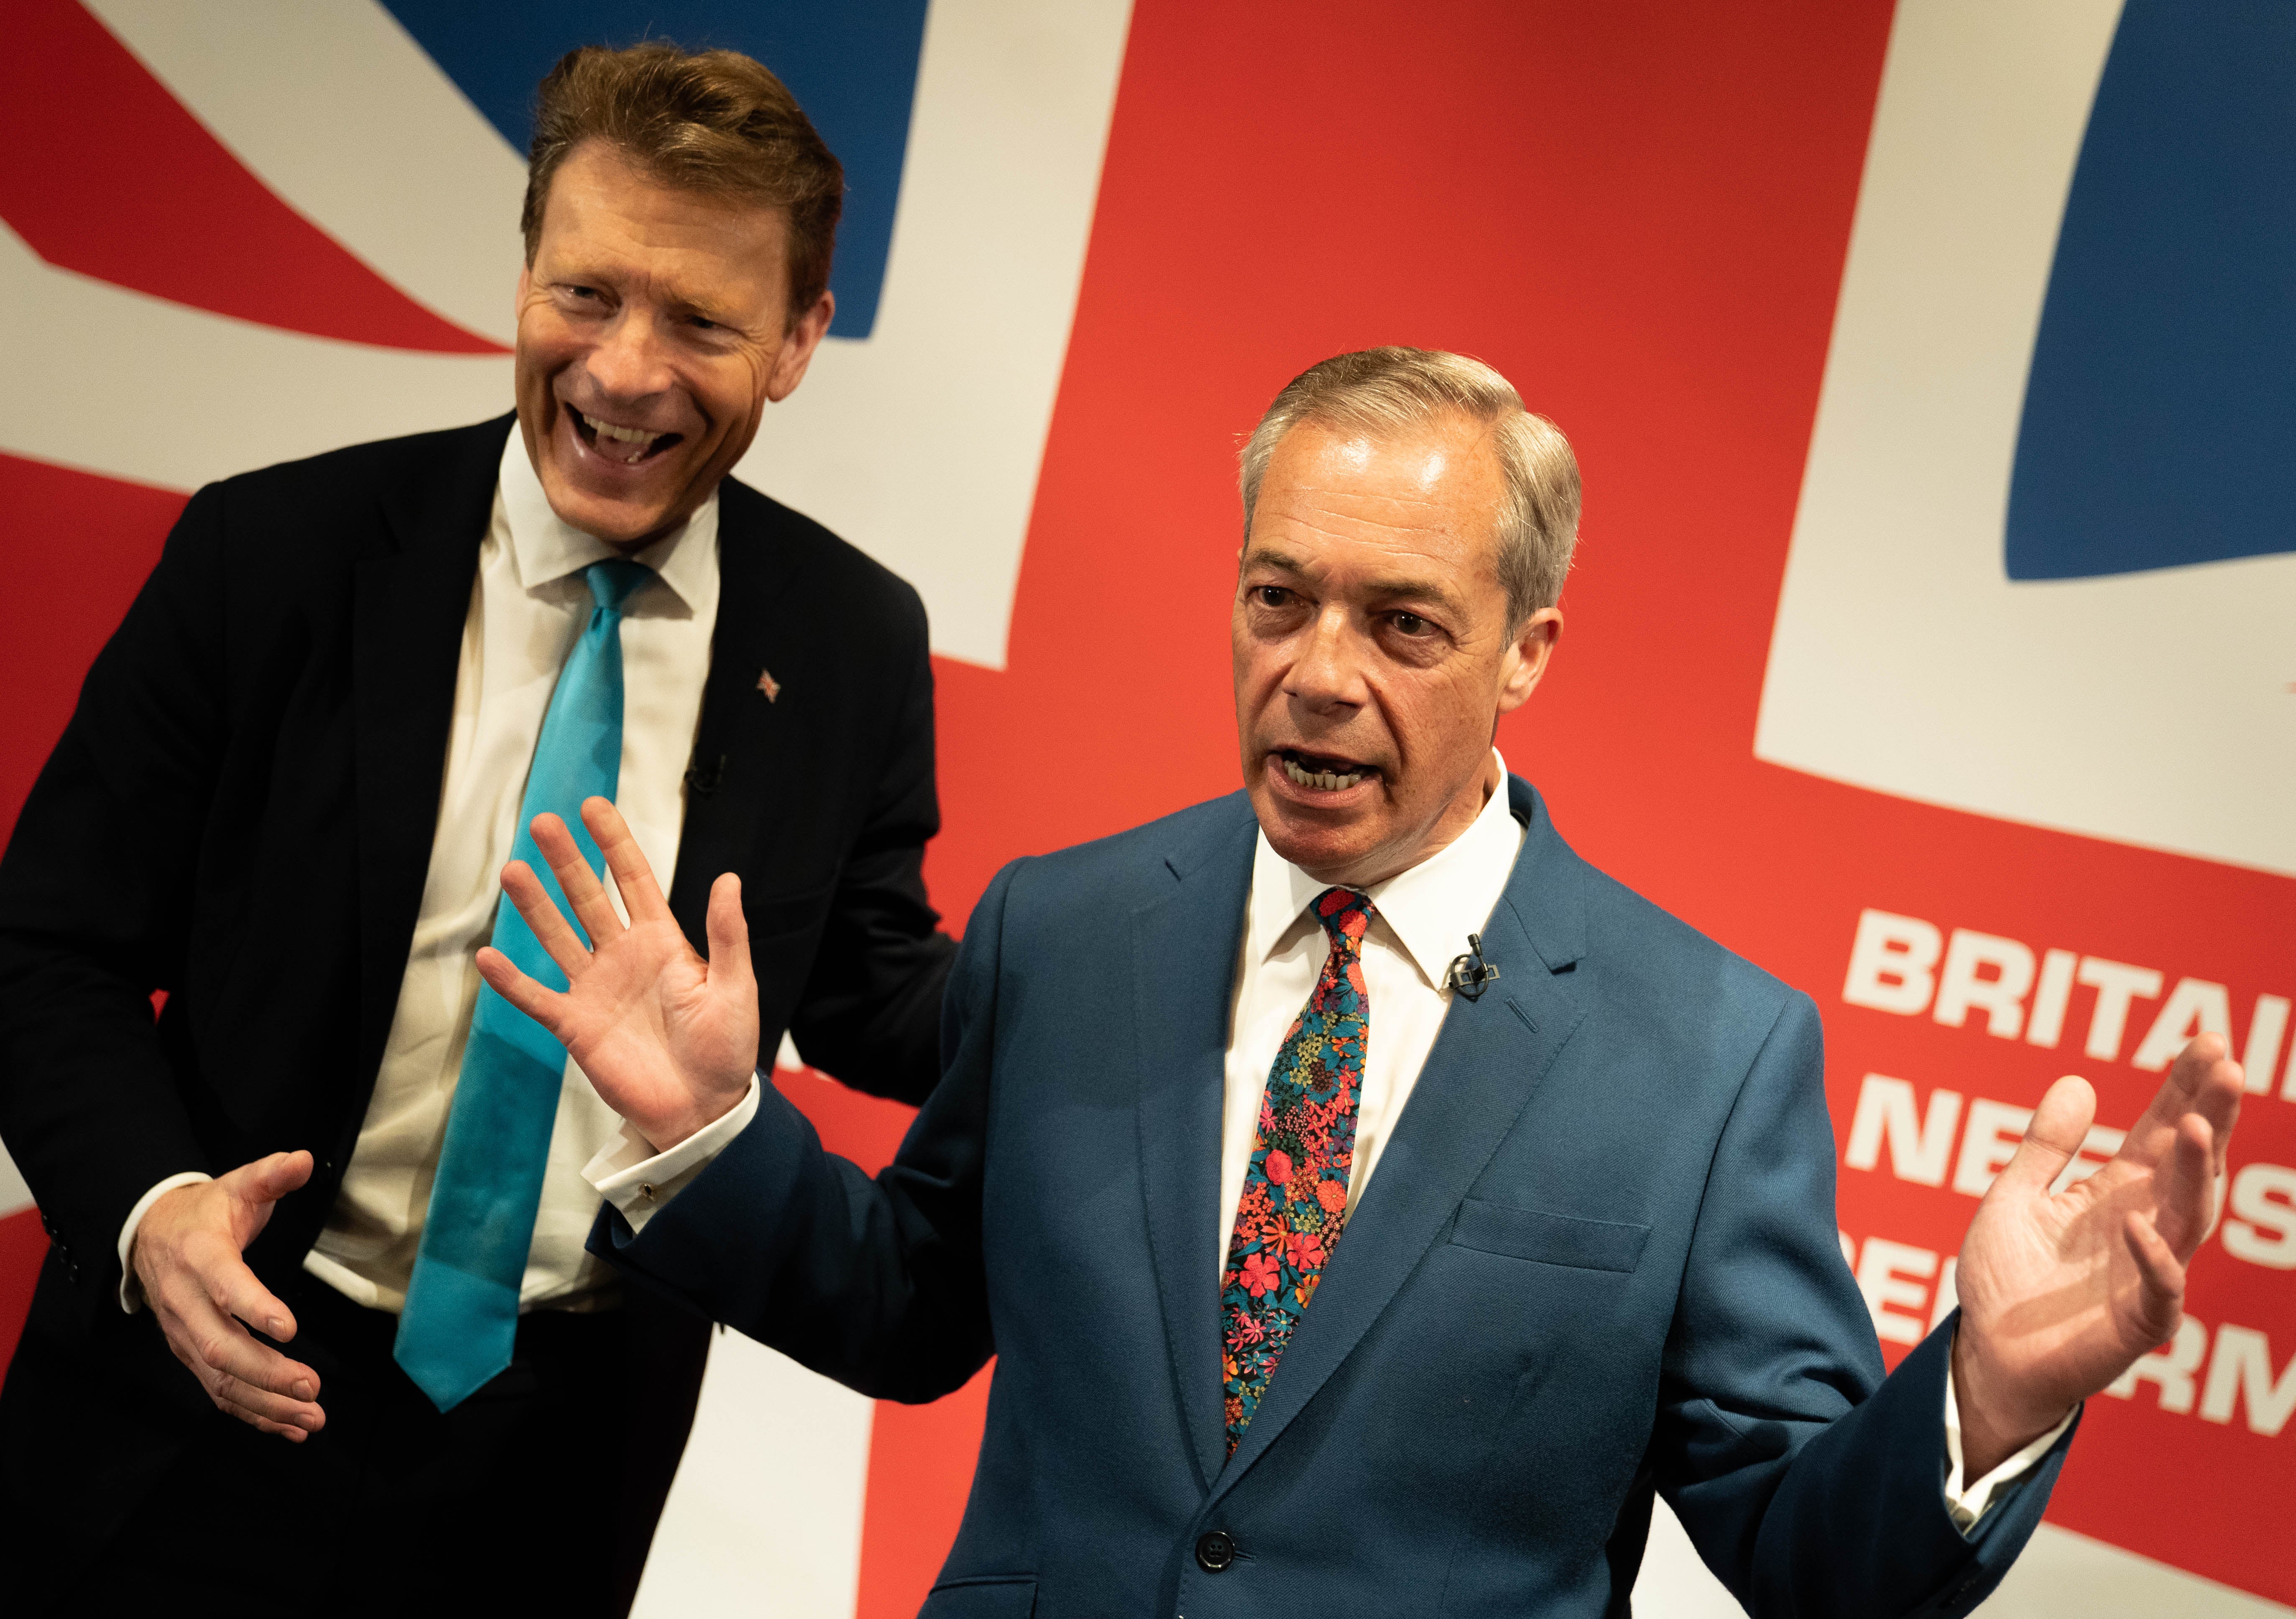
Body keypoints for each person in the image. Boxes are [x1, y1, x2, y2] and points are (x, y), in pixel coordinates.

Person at [482, 349, 2240, 1617]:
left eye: (1399, 623)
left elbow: (1801, 1549)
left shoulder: (1704, 1053)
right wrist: (718, 1129)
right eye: (1276, 600)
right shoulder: (1063, 925)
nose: (1314, 676)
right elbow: (909, 1309)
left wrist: (1983, 1400)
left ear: (1523, 650)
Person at [0, 41, 955, 1616]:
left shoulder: (851, 638)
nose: (625, 372)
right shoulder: (274, 554)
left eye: (704, 321)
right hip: (189, 1409)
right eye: (585, 294)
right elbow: (51, 952)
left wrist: (1150, 974)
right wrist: (154, 1214)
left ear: (797, 341)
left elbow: (869, 980)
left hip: (552, 1471)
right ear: (525, 270)